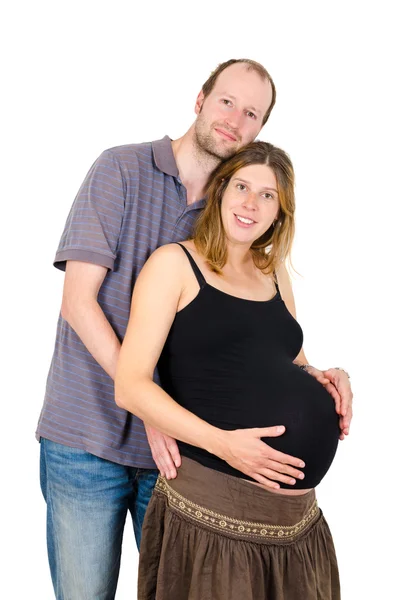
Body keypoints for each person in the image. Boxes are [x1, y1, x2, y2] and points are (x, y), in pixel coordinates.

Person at [37, 58, 279, 600]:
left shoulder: (235, 211)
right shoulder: (119, 169)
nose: (234, 120)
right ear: (200, 100)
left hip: (179, 457)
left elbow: (252, 330)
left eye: (251, 114)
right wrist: (146, 405)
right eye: (226, 102)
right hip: (84, 440)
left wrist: (318, 372)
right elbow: (77, 302)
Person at [115, 141, 352, 599]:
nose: (251, 203)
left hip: (295, 525)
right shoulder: (175, 265)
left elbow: (287, 361)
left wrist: (327, 376)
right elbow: (130, 385)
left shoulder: (273, 271)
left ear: (281, 211)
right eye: (242, 186)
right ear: (221, 191)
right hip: (216, 511)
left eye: (268, 195)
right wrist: (224, 445)